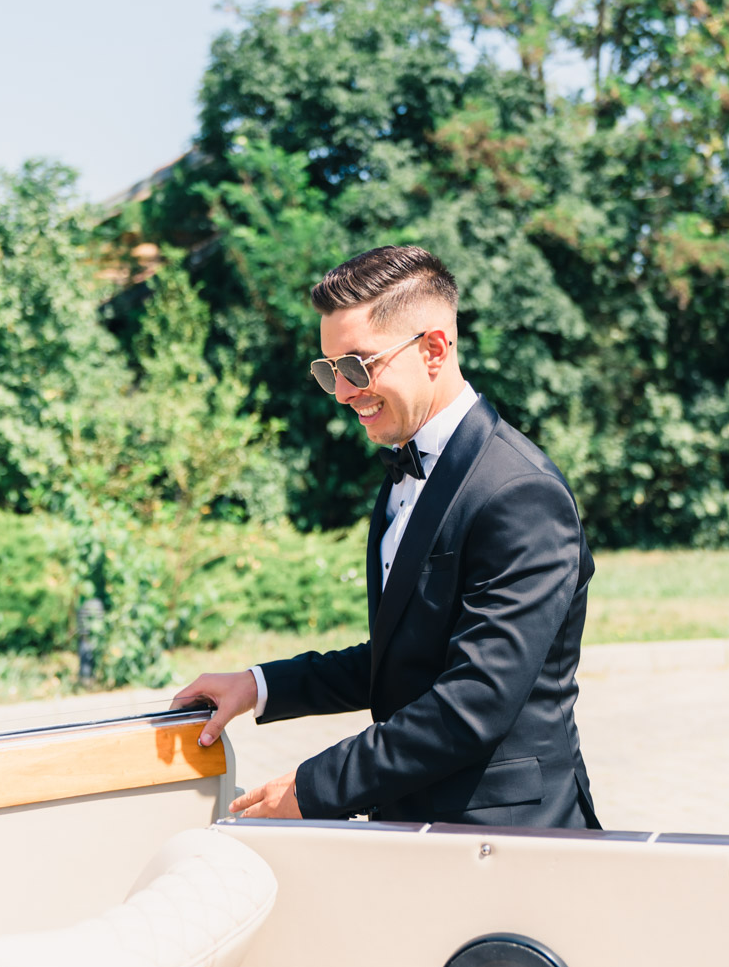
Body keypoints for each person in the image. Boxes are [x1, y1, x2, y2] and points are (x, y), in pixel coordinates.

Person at [172, 244, 600, 829]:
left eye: (357, 366)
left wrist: (313, 789)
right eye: (329, 371)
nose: (343, 392)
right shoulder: (407, 469)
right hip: (414, 824)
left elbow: (475, 700)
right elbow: (407, 656)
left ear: (434, 349)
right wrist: (259, 686)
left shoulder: (520, 492)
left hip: (505, 835)